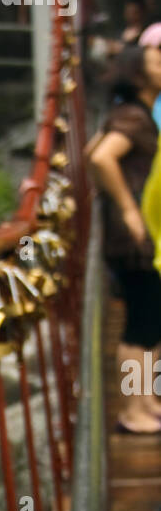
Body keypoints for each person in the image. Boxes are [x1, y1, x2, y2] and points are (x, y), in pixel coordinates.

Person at [90, 45, 161, 433]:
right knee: (141, 325)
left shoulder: (127, 115)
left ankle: (145, 401)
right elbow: (101, 158)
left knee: (149, 322)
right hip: (136, 236)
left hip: (133, 234)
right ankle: (134, 412)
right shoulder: (134, 117)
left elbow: (89, 152)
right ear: (137, 73)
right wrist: (129, 209)